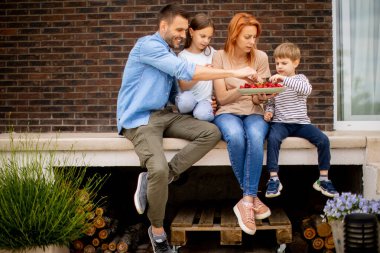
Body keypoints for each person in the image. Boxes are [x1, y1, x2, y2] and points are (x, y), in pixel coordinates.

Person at [116, 4, 259, 253]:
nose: (182, 34)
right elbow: (185, 70)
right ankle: (158, 234)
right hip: (139, 120)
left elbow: (177, 93)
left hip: (164, 115)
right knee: (157, 167)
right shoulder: (147, 46)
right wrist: (234, 71)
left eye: (184, 30)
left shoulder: (169, 54)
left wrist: (207, 101)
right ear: (163, 26)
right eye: (178, 29)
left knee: (211, 131)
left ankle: (159, 177)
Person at [212, 13, 274, 236]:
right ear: (234, 34)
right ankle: (252, 197)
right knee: (236, 136)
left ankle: (246, 201)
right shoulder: (219, 57)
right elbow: (222, 98)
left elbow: (259, 99)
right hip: (227, 112)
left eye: (255, 37)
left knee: (256, 137)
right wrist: (240, 86)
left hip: (254, 112)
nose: (252, 42)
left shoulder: (261, 58)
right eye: (247, 36)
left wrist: (261, 93)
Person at [263, 42, 339, 199]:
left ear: (296, 62)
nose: (280, 66)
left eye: (284, 63)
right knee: (273, 138)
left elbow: (306, 90)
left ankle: (323, 179)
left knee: (323, 139)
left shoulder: (300, 79)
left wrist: (284, 79)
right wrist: (269, 112)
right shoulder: (275, 81)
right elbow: (271, 101)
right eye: (277, 63)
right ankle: (274, 179)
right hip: (281, 123)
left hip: (301, 123)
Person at [176, 13, 216, 122]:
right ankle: (190, 113)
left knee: (203, 115)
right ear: (191, 32)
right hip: (188, 97)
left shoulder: (212, 53)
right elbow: (183, 86)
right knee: (185, 102)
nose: (206, 41)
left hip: (205, 100)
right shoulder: (183, 56)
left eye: (209, 38)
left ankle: (197, 113)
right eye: (203, 36)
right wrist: (202, 73)